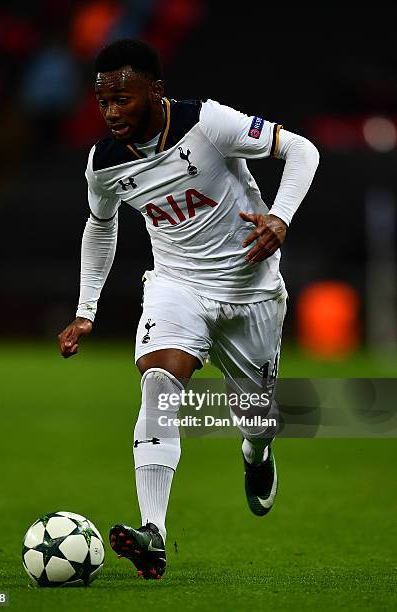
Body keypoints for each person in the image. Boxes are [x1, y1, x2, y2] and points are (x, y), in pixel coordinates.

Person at [58, 38, 319, 580]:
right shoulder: (103, 164)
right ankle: (153, 532)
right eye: (103, 101)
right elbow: (100, 225)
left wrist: (281, 218)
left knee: (257, 420)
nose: (111, 112)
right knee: (158, 381)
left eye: (122, 99)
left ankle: (256, 454)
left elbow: (303, 150)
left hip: (251, 291)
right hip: (176, 285)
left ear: (155, 92)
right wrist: (87, 309)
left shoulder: (210, 123)